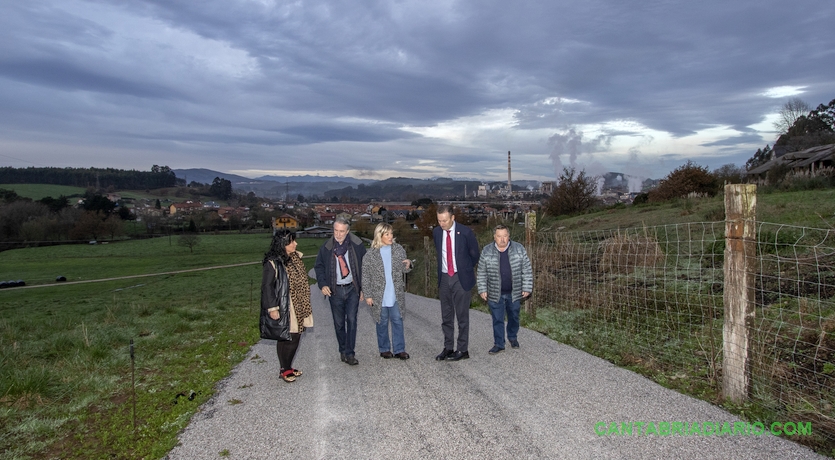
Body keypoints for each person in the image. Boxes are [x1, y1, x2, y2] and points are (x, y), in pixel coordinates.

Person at [261, 229, 313, 383]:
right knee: (289, 337)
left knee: (290, 337)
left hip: (299, 303)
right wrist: (272, 308)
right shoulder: (273, 262)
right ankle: (285, 369)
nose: (295, 243)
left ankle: (287, 367)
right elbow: (267, 287)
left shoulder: (295, 258)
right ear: (283, 244)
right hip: (285, 304)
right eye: (291, 241)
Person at [314, 217, 366, 365]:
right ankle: (342, 349)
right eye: (336, 231)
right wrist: (323, 284)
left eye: (342, 231)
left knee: (352, 320)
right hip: (335, 290)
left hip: (352, 288)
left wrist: (363, 289)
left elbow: (365, 267)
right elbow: (318, 267)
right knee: (339, 323)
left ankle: (350, 353)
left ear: (348, 231)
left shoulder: (357, 245)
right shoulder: (326, 248)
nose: (338, 234)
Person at [433, 205, 480, 361]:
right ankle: (448, 347)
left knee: (462, 316)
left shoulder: (466, 232)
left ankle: (462, 349)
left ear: (453, 218)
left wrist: (464, 270)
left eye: (445, 220)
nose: (442, 223)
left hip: (461, 278)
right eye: (439, 220)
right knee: (446, 316)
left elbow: (474, 255)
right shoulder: (437, 232)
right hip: (445, 277)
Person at [477, 224, 533, 354]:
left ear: (509, 236)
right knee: (497, 318)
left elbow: (527, 270)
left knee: (514, 316)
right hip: (494, 292)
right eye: (499, 236)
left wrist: (527, 287)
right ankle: (499, 343)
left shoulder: (519, 249)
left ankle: (512, 337)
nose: (502, 239)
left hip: (514, 292)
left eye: (505, 236)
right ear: (494, 237)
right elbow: (481, 272)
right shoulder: (486, 251)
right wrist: (482, 289)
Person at [362, 223, 413, 360]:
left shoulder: (398, 249)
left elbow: (404, 269)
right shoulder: (370, 255)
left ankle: (399, 349)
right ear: (380, 236)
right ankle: (384, 349)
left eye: (391, 233)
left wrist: (408, 264)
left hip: (395, 292)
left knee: (397, 320)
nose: (391, 237)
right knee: (382, 321)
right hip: (379, 295)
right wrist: (368, 295)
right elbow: (365, 276)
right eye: (387, 234)